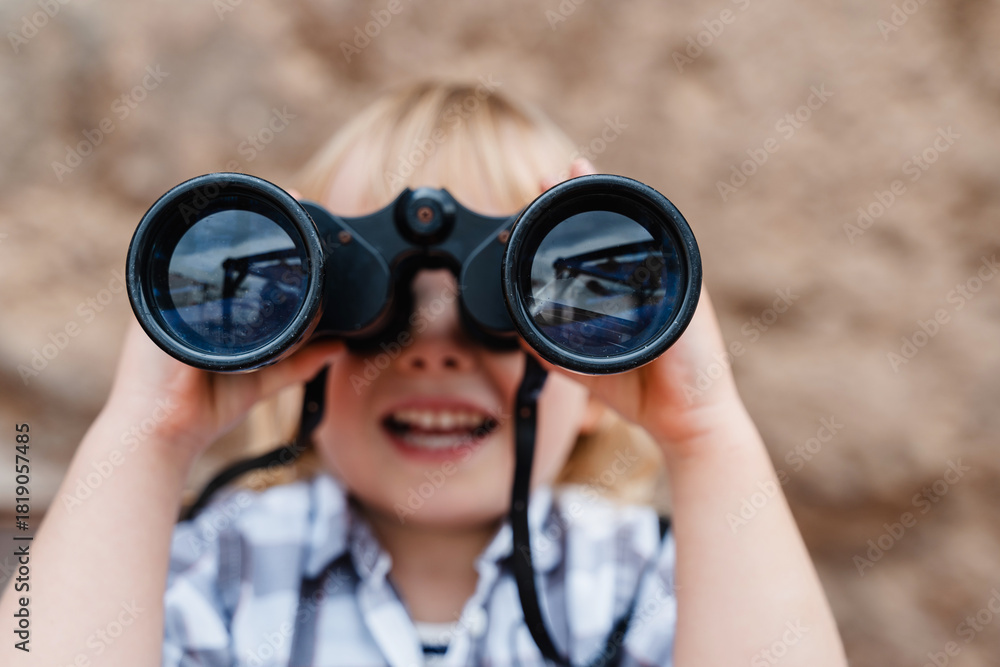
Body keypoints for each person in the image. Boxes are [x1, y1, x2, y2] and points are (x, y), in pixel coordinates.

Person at [0, 81, 848, 666]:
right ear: (290, 354)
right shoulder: (206, 571)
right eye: (377, 318)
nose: (434, 351)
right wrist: (148, 433)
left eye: (521, 312)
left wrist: (705, 431)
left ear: (593, 389)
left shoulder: (654, 579)